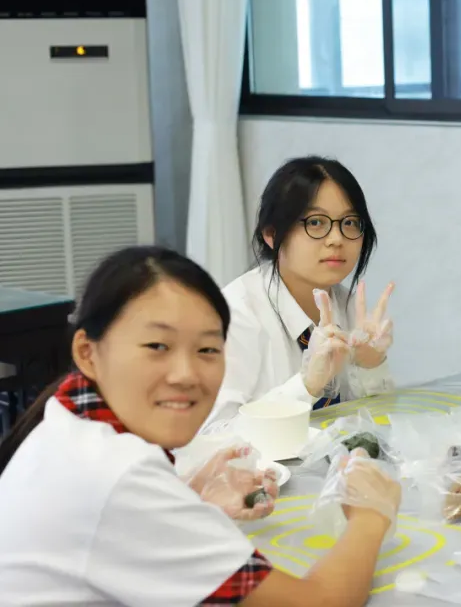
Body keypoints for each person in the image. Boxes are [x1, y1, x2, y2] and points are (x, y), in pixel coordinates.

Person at [0, 246, 402, 605]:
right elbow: (318, 602)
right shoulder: (117, 472)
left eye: (207, 349)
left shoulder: (71, 415)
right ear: (88, 353)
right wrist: (370, 516)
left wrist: (189, 501)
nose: (186, 374)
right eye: (157, 346)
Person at [203, 156, 396, 433]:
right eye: (316, 222)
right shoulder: (234, 315)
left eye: (350, 222)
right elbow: (212, 437)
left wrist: (372, 366)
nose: (337, 239)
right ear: (271, 234)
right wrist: (305, 387)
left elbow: (380, 429)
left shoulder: (349, 307)